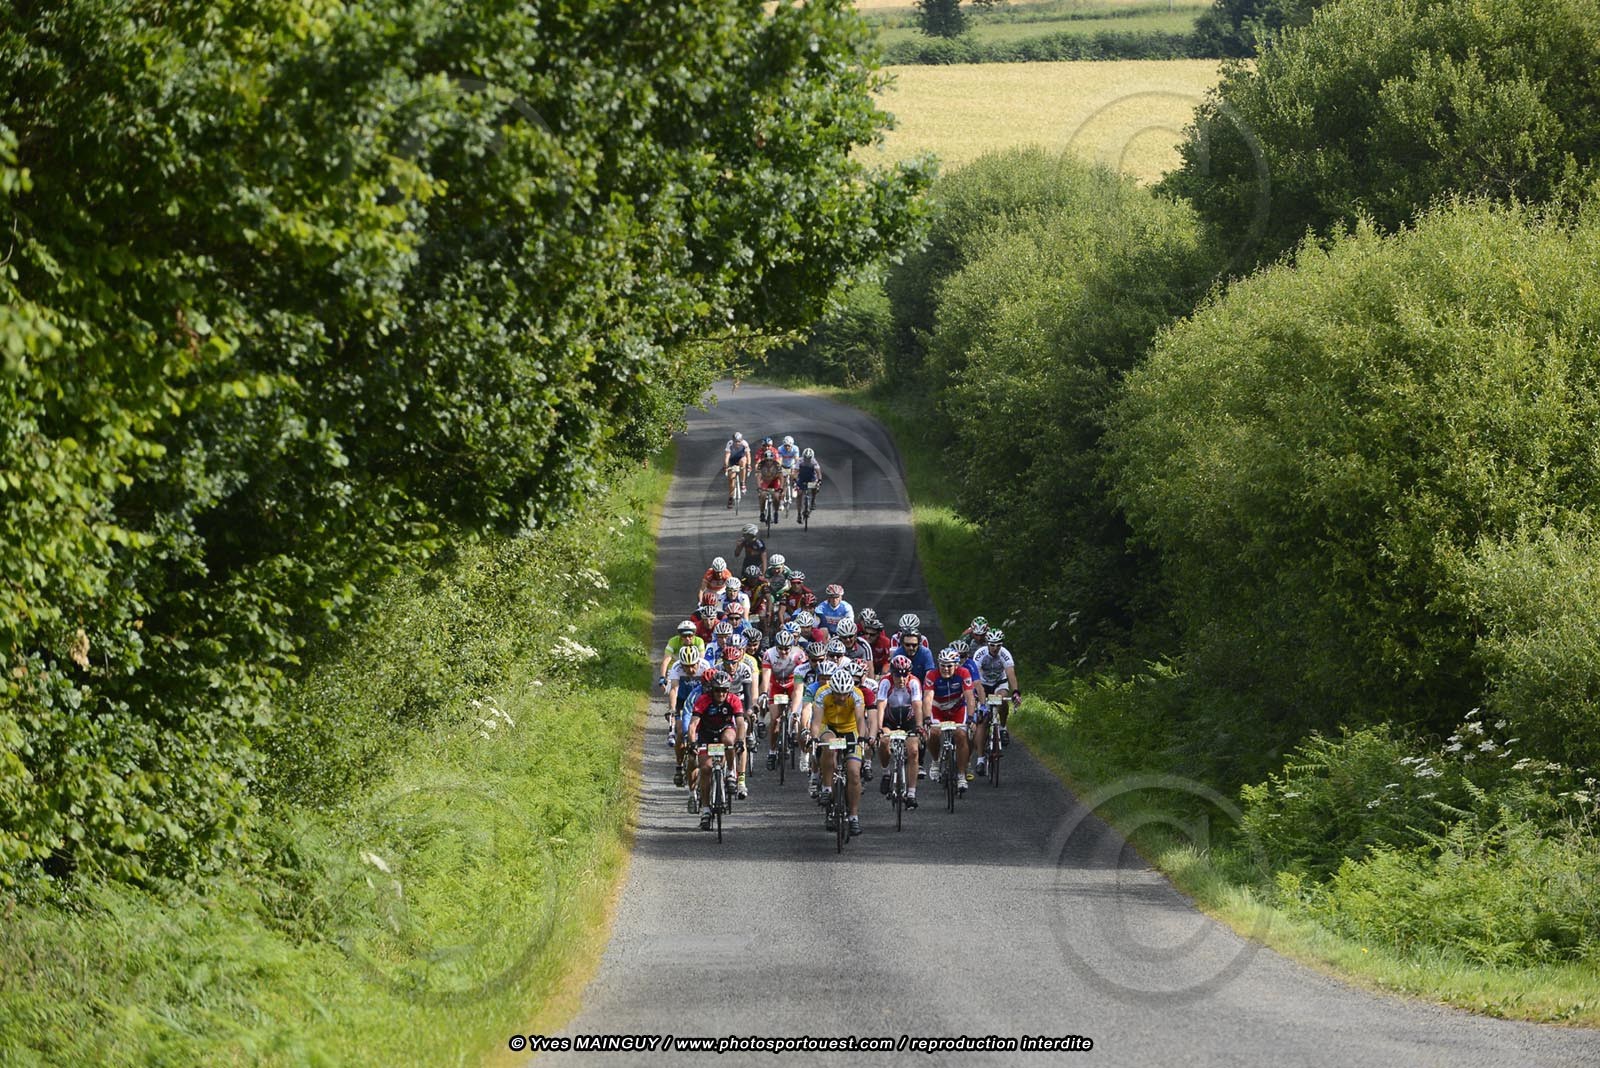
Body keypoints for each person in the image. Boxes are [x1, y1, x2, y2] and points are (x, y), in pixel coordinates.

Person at [808, 665, 867, 837]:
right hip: (829, 727)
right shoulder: (823, 693)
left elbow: (860, 719)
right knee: (829, 744)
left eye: (844, 694)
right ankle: (827, 788)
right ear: (831, 690)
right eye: (837, 694)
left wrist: (861, 737)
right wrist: (814, 737)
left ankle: (854, 817)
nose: (841, 698)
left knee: (854, 772)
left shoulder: (857, 694)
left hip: (850, 729)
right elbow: (816, 721)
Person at [688, 671, 743, 830]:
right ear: (712, 690)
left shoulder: (733, 700)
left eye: (724, 690)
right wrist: (692, 743)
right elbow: (693, 724)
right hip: (706, 735)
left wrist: (740, 740)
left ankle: (731, 772)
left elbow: (740, 723)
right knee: (705, 769)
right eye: (717, 690)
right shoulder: (703, 700)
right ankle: (705, 810)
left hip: (725, 730)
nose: (721, 693)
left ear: (728, 690)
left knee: (729, 740)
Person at [923, 648, 975, 793]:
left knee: (961, 735)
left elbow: (970, 697)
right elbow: (927, 698)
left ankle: (961, 775)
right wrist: (926, 718)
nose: (945, 669)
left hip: (957, 709)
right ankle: (935, 761)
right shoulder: (932, 675)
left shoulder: (964, 673)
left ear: (956, 665)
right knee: (933, 732)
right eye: (943, 665)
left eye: (949, 665)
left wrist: (971, 717)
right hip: (938, 709)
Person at [875, 654, 923, 807]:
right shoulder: (885, 682)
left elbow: (917, 706)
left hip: (909, 720)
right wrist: (879, 728)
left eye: (905, 675)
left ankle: (911, 793)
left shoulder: (914, 682)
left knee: (913, 751)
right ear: (892, 673)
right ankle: (886, 773)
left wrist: (919, 726)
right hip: (890, 720)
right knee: (884, 741)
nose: (901, 679)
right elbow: (881, 705)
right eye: (897, 675)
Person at [971, 628, 1021, 772]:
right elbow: (975, 675)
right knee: (983, 721)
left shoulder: (1005, 654)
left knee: (1002, 700)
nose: (995, 648)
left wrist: (1016, 692)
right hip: (983, 685)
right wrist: (976, 694)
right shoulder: (980, 654)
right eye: (992, 645)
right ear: (987, 643)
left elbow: (1010, 673)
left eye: (998, 645)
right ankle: (980, 759)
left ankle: (1003, 728)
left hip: (999, 683)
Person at [760, 630, 809, 769]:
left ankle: (792, 729)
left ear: (792, 646)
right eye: (780, 648)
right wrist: (764, 693)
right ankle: (772, 751)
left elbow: (801, 678)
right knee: (775, 719)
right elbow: (766, 676)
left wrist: (795, 709)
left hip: (793, 683)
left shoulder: (799, 654)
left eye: (786, 648)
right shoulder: (769, 654)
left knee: (795, 711)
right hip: (776, 685)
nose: (783, 651)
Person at [723, 433, 750, 506]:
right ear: (733, 440)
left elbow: (748, 455)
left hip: (741, 459)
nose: (737, 443)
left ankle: (743, 483)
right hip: (733, 461)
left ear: (741, 440)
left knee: (743, 462)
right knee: (731, 478)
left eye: (739, 441)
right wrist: (725, 465)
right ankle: (731, 497)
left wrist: (749, 465)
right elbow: (727, 456)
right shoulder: (730, 443)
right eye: (736, 441)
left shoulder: (745, 443)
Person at [795, 447, 822, 511]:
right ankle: (799, 510)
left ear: (812, 457)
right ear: (803, 456)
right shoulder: (800, 461)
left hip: (811, 478)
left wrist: (819, 481)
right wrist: (794, 480)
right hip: (802, 478)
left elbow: (818, 473)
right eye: (805, 458)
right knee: (799, 493)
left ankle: (813, 501)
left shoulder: (814, 462)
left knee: (815, 488)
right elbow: (796, 472)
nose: (807, 460)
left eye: (809, 458)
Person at [777, 435, 801, 499]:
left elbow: (796, 459)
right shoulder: (780, 449)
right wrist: (779, 467)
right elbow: (780, 460)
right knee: (783, 482)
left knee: (794, 473)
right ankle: (782, 499)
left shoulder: (795, 448)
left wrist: (797, 468)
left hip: (792, 464)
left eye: (788, 446)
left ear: (792, 445)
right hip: (783, 465)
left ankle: (794, 486)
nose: (787, 447)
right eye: (785, 446)